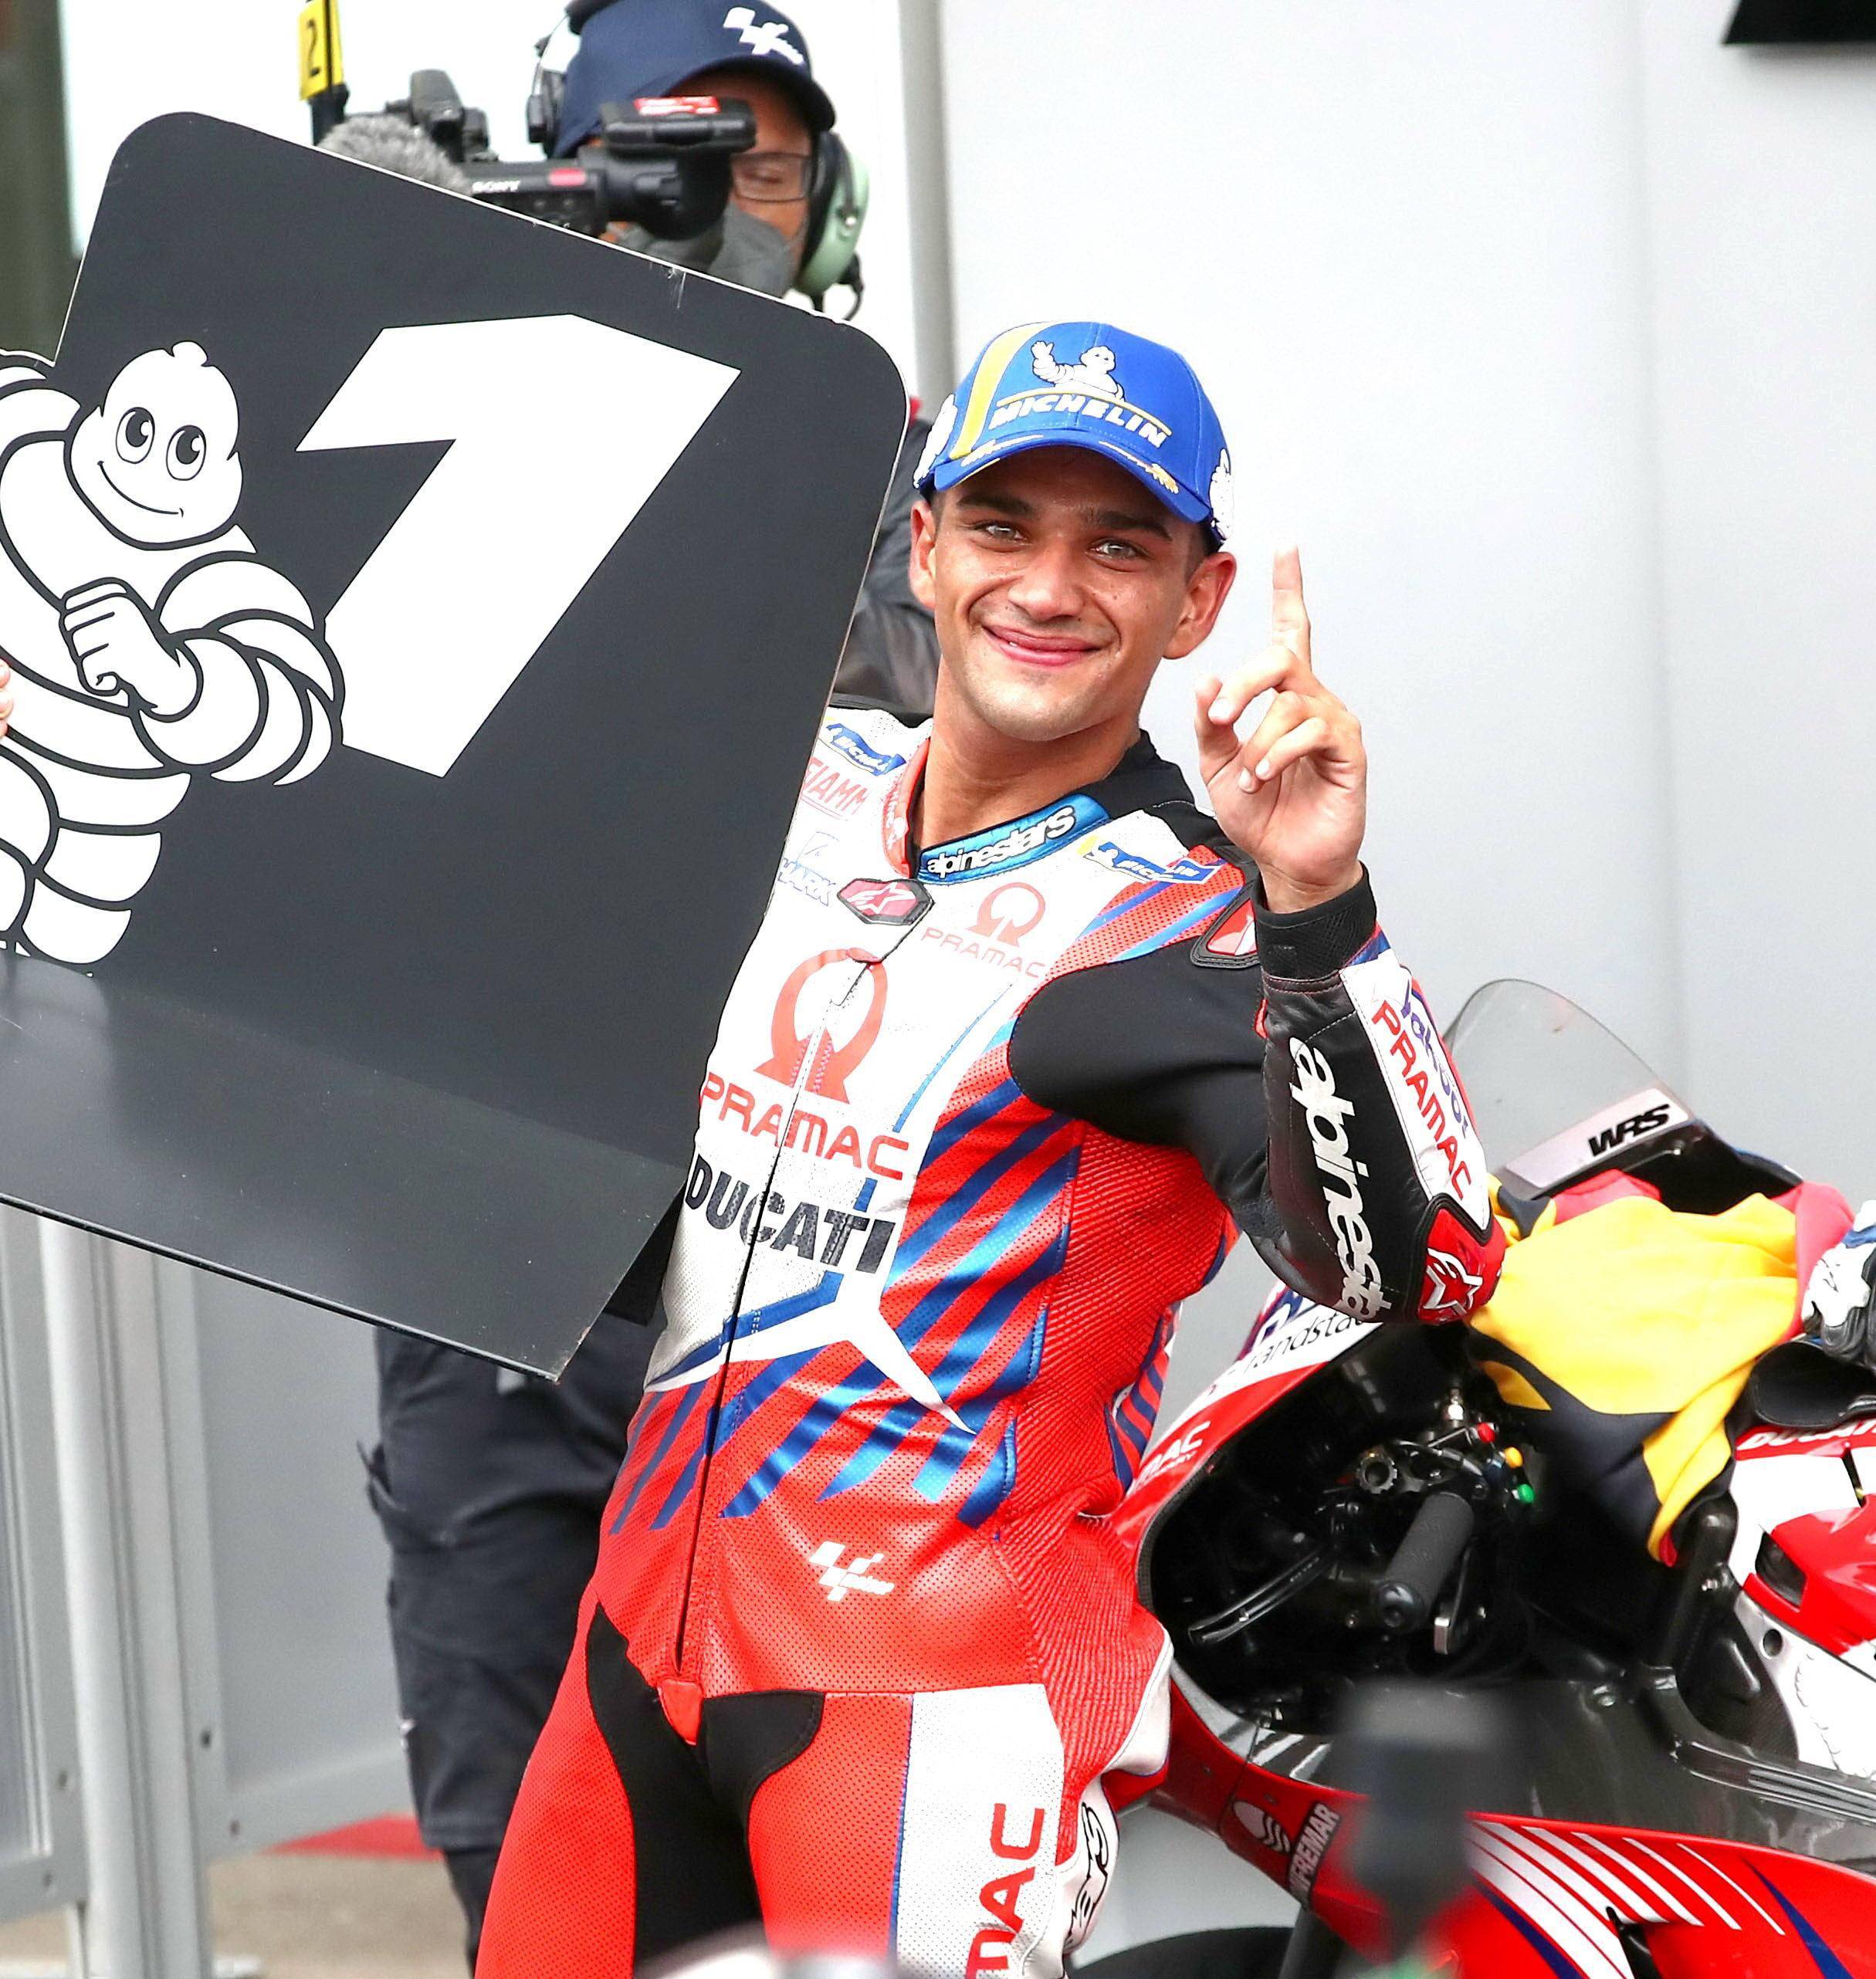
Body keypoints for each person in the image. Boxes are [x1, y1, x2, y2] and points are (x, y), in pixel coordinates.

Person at [473, 319, 1502, 1977]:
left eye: (1120, 547)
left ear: (1198, 602)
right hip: (637, 1654)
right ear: (927, 546)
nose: (1050, 586)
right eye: (1006, 527)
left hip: (930, 1718)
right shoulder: (795, 783)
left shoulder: (1189, 923)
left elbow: (1423, 1267)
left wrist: (1319, 907)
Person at [329, 2, 939, 1960]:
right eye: (670, 159)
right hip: (498, 1229)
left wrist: (740, 416)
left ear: (830, 198)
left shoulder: (908, 465)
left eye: (762, 162)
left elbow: (927, 717)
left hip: (807, 1252)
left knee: (815, 1832)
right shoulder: (467, 410)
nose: (723, 204)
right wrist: (350, 295)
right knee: (524, 1828)